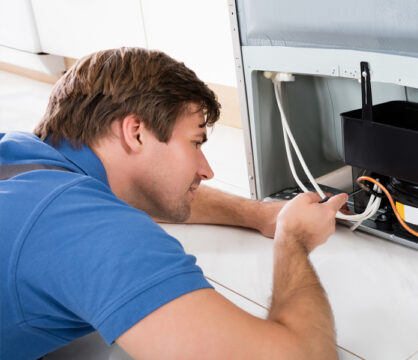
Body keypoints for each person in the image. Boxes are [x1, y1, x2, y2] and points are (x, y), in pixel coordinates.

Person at [0, 47, 348, 359]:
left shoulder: (21, 156)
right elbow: (305, 354)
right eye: (195, 142)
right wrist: (294, 240)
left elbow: (145, 191)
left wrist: (256, 213)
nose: (206, 170)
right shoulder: (88, 230)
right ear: (135, 132)